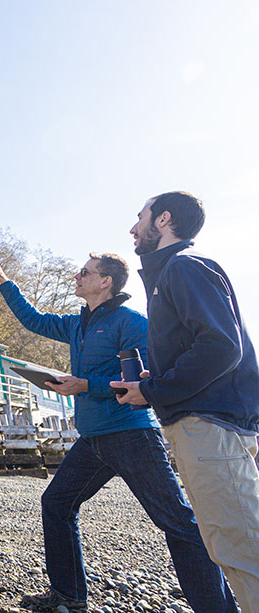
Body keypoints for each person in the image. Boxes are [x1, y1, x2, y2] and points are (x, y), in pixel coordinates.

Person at [0, 248, 236, 612]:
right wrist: (5, 283)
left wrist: (85, 385)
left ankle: (217, 607)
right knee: (56, 503)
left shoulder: (131, 322)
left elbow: (139, 381)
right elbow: (34, 320)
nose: (78, 276)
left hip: (132, 435)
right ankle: (69, 598)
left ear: (106, 282)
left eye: (85, 272)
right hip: (93, 440)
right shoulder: (76, 324)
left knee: (177, 522)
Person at [113, 191, 259, 612]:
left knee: (243, 551)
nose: (132, 227)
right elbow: (207, 347)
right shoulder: (173, 274)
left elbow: (221, 346)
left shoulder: (184, 268)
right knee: (231, 546)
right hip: (207, 428)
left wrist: (155, 390)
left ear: (163, 220)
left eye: (139, 216)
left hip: (210, 428)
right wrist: (153, 381)